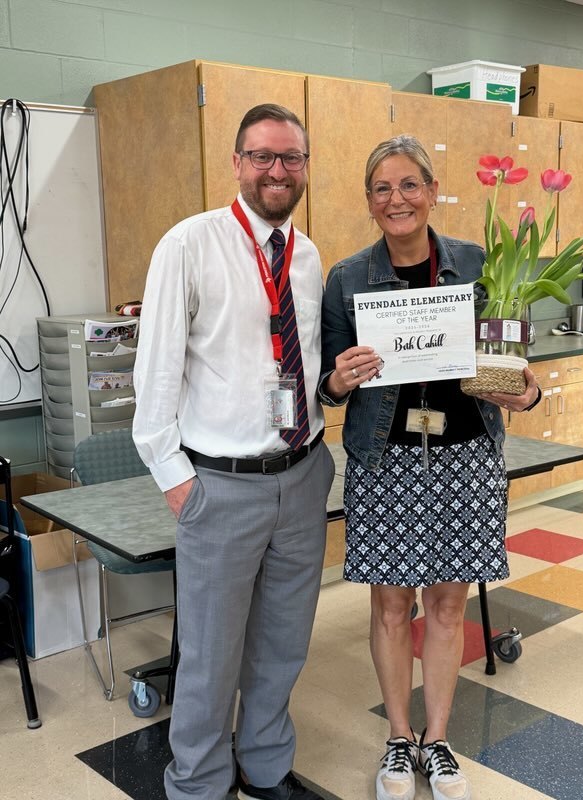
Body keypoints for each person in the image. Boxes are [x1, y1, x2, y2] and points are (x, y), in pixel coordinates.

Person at [319, 135, 540, 800]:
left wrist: (521, 392)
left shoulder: (482, 264)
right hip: (384, 459)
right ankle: (397, 736)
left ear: (433, 190)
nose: (396, 199)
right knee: (391, 606)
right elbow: (327, 389)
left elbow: (519, 377)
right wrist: (340, 378)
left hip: (466, 454)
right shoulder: (348, 278)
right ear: (369, 202)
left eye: (409, 185)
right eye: (382, 189)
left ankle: (436, 741)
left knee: (446, 606)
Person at [133, 104, 335, 800]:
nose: (277, 170)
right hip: (220, 486)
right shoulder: (188, 245)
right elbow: (155, 373)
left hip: (303, 474)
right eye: (263, 156)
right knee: (211, 657)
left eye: (291, 158)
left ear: (305, 167)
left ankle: (265, 763)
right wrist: (176, 479)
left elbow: (307, 362)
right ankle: (197, 781)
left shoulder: (308, 257)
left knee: (283, 643)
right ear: (237, 162)